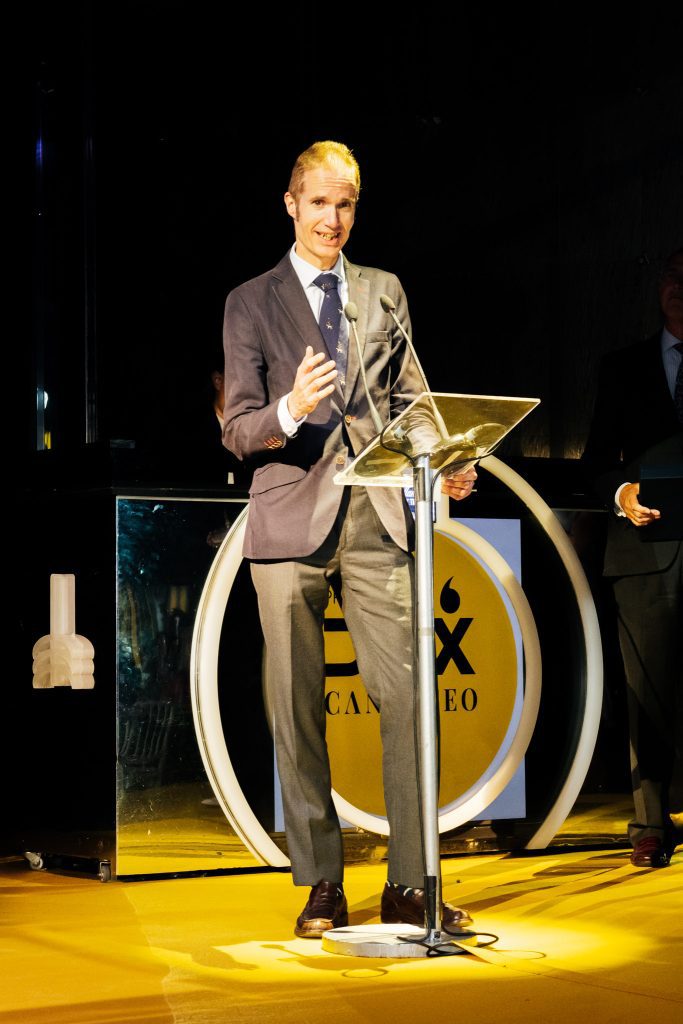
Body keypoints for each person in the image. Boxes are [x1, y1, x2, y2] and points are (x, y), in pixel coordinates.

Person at [222, 140, 477, 937]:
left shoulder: (382, 291)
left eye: (345, 205)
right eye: (319, 203)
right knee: (296, 707)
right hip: (287, 521)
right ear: (290, 204)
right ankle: (321, 882)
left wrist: (442, 459)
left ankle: (410, 883)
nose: (332, 219)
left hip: (375, 518)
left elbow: (413, 402)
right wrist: (291, 409)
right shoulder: (250, 301)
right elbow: (238, 430)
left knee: (408, 699)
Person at [583, 246, 683, 868]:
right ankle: (650, 822)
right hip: (644, 553)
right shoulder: (622, 367)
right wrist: (621, 493)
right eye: (672, 276)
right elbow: (596, 460)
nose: (680, 286)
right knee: (646, 690)